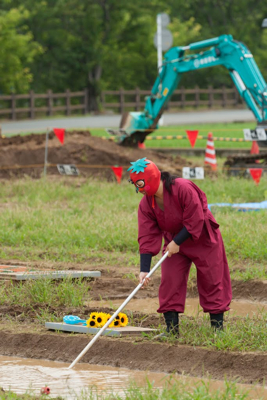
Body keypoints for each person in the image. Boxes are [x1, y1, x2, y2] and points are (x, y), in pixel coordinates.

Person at [128, 157, 232, 338]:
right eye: (136, 185)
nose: (139, 190)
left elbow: (196, 217)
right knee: (170, 280)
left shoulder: (183, 188)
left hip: (203, 238)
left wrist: (177, 242)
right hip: (173, 244)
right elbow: (147, 234)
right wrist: (144, 269)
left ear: (151, 179)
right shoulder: (146, 204)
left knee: (212, 279)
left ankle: (218, 330)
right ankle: (172, 330)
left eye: (140, 184)